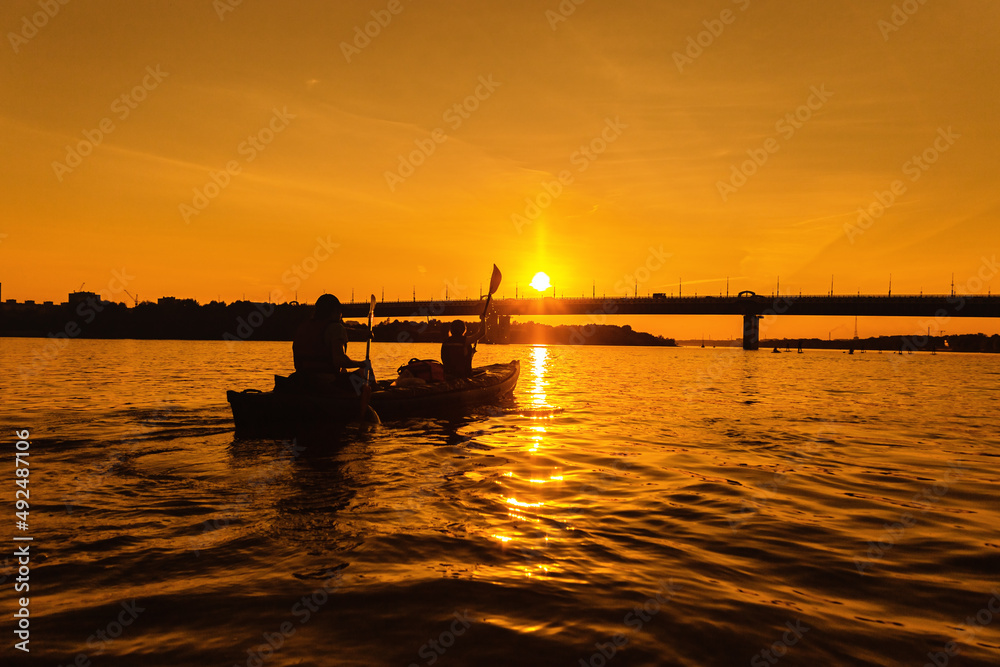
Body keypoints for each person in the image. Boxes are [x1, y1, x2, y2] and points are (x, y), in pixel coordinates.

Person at [292, 294, 373, 391]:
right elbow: (339, 361)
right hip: (325, 382)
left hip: (301, 379)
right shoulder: (336, 328)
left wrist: (361, 333)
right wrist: (362, 364)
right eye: (340, 311)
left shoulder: (303, 327)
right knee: (363, 373)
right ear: (335, 312)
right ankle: (375, 392)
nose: (341, 315)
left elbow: (330, 331)